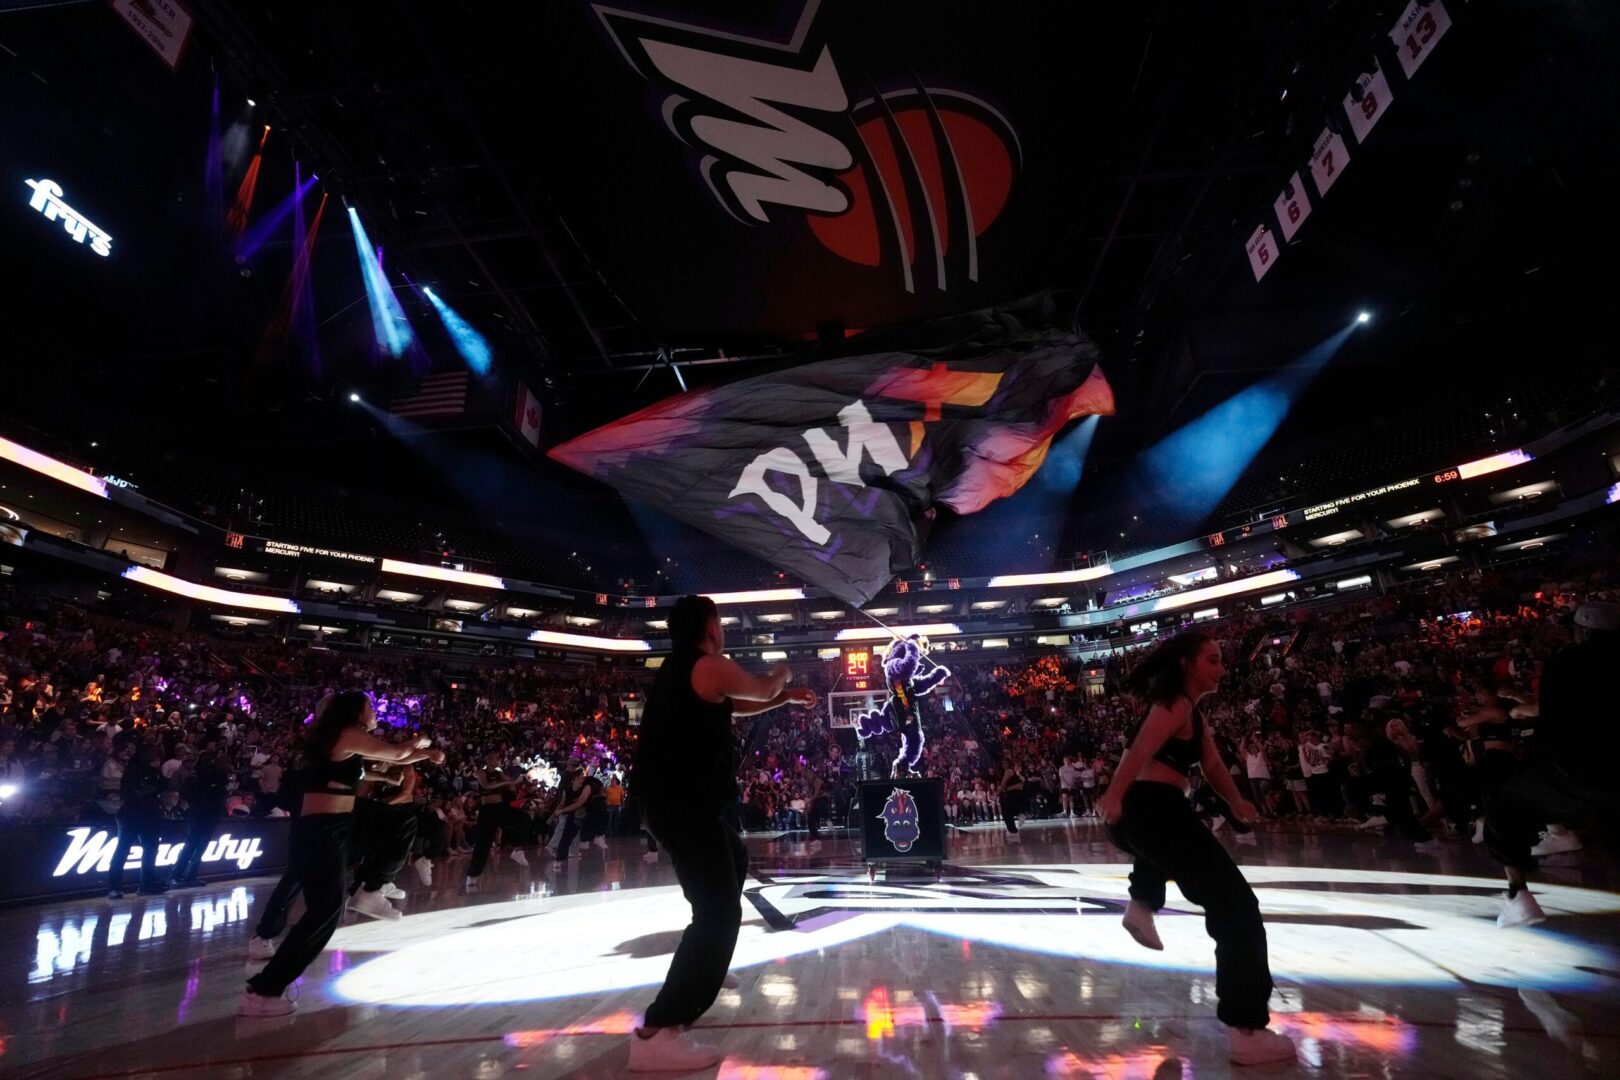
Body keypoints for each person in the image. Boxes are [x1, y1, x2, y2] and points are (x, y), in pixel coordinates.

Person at [627, 595, 815, 1072]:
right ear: (710, 626)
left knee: (733, 860)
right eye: (721, 622)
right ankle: (656, 1031)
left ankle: (708, 962)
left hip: (676, 804)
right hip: (681, 805)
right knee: (718, 913)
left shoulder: (686, 671)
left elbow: (736, 706)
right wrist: (784, 673)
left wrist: (782, 699)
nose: (724, 629)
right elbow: (756, 687)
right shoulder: (709, 664)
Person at [1094, 631, 1295, 1066]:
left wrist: (1236, 800)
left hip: (1148, 814)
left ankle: (1141, 904)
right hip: (1152, 809)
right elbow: (1139, 748)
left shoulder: (1193, 715)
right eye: (1213, 659)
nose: (1221, 668)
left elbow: (1214, 765)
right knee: (1237, 905)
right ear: (1186, 663)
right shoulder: (1175, 705)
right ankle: (1247, 1029)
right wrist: (1113, 794)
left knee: (1183, 864)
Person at [238, 691, 444, 1017]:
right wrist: (421, 743)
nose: (375, 711)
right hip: (322, 831)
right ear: (355, 712)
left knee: (402, 820)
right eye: (370, 706)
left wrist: (423, 754)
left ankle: (372, 887)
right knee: (324, 914)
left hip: (340, 823)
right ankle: (264, 991)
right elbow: (395, 753)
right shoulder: (347, 734)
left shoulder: (342, 738)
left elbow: (397, 760)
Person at [1486, 601, 1620, 927]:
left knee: (1502, 797)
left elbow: (1559, 714)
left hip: (1582, 771)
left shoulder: (1569, 661)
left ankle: (1519, 897)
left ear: (1584, 630)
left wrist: (1525, 710)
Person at [107, 742, 166, 898]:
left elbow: (161, 787)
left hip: (149, 814)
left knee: (151, 849)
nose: (154, 754)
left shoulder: (154, 771)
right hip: (130, 814)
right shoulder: (133, 770)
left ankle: (146, 884)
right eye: (151, 751)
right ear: (143, 753)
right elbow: (140, 791)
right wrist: (152, 788)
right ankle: (114, 888)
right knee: (123, 849)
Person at [465, 750, 528, 887]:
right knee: (483, 844)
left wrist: (513, 783)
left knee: (523, 818)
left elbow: (510, 787)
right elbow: (486, 786)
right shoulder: (482, 773)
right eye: (494, 758)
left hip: (500, 808)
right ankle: (472, 875)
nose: (497, 760)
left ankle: (518, 850)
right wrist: (504, 782)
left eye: (497, 758)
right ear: (488, 760)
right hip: (487, 811)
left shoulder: (500, 774)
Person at [997, 762, 1026, 840]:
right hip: (1017, 794)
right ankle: (1019, 816)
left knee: (1006, 811)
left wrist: (1000, 790)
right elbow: (1020, 786)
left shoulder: (1009, 771)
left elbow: (1003, 783)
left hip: (1011, 794)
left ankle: (1012, 829)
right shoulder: (1019, 776)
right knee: (1008, 811)